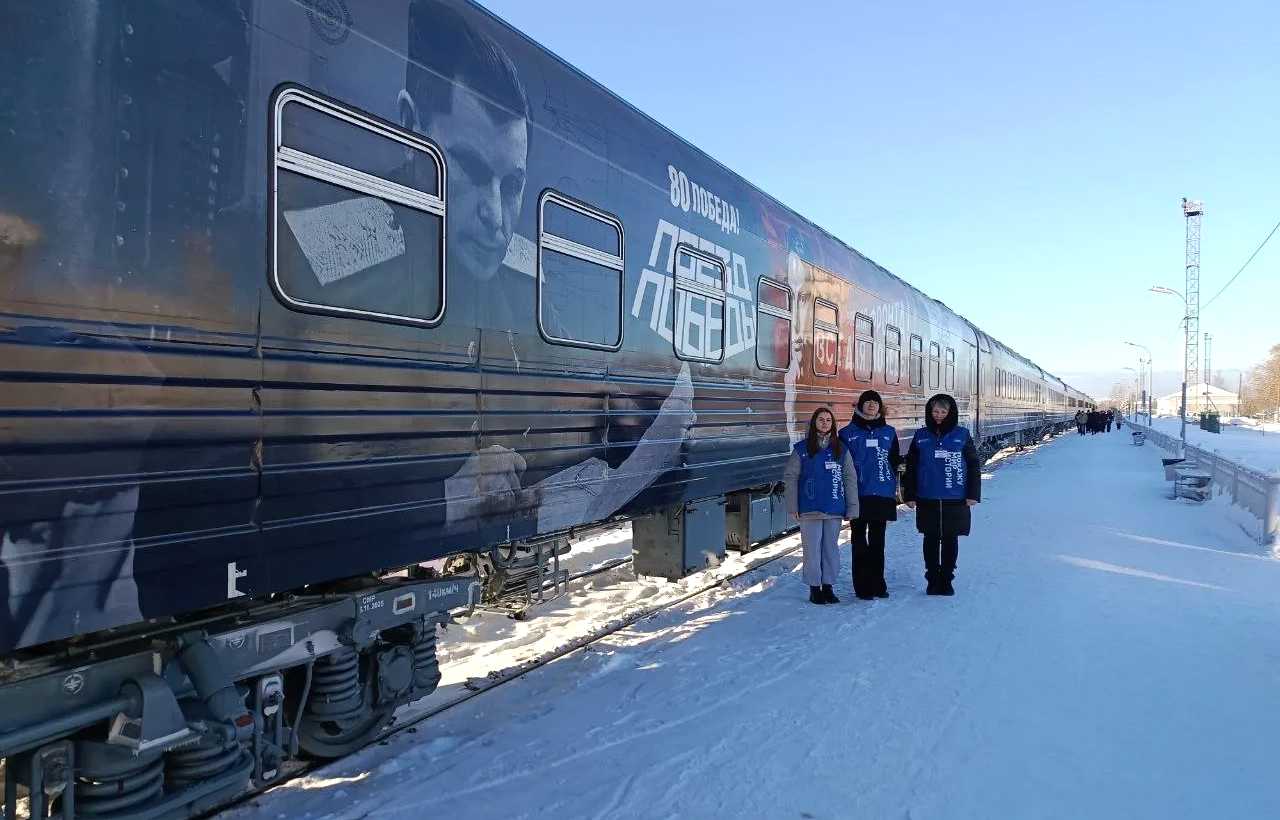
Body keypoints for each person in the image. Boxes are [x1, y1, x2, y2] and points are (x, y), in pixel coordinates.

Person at [902, 394, 981, 595]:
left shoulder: (962, 435)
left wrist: (973, 493)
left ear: (951, 413)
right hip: (927, 496)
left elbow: (973, 465)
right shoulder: (921, 435)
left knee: (950, 539)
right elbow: (911, 466)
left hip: (955, 496)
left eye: (943, 412)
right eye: (935, 412)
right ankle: (932, 579)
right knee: (930, 538)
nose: (939, 416)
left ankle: (946, 579)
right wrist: (909, 494)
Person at [783, 407, 859, 605]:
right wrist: (793, 505)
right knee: (811, 549)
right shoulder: (802, 449)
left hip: (834, 507)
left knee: (830, 548)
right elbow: (791, 477)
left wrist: (852, 507)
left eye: (828, 420)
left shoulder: (841, 450)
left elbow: (849, 478)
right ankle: (814, 587)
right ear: (814, 423)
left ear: (833, 424)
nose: (825, 423)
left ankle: (828, 586)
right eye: (820, 419)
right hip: (810, 507)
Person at [838, 390, 902, 600]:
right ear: (860, 406)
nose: (872, 405)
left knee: (878, 541)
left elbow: (894, 462)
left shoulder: (889, 432)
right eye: (868, 402)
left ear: (880, 407)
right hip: (858, 494)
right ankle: (862, 587)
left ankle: (878, 584)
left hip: (881, 493)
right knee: (858, 541)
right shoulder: (847, 433)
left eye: (875, 402)